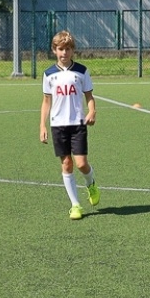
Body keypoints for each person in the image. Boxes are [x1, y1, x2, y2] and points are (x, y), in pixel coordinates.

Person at [39, 30, 99, 220]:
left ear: (73, 50)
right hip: (58, 126)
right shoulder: (48, 74)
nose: (64, 53)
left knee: (81, 164)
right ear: (54, 50)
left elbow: (89, 96)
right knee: (66, 163)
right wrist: (42, 125)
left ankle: (91, 184)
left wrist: (92, 111)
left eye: (68, 49)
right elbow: (46, 101)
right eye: (60, 49)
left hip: (77, 124)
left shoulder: (81, 71)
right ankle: (75, 205)